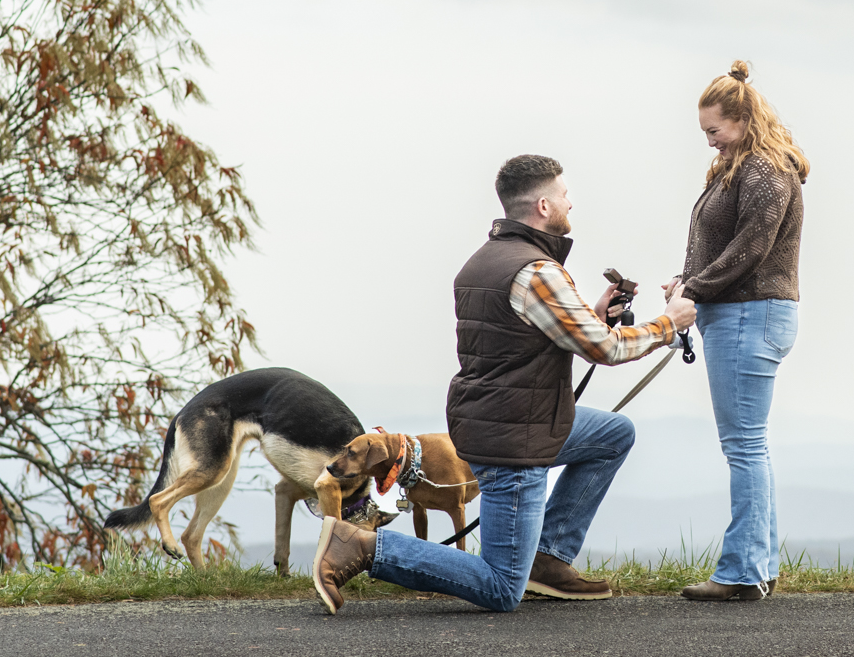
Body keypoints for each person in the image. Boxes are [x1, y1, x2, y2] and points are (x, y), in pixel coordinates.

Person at [311, 154, 698, 614]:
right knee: (500, 588)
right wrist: (667, 324)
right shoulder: (537, 272)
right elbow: (605, 350)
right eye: (564, 195)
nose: (570, 202)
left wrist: (593, 316)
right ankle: (363, 546)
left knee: (614, 434)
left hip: (498, 419)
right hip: (516, 437)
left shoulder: (483, 262)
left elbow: (518, 343)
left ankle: (548, 558)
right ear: (542, 206)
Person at [664, 60, 808, 602]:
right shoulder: (738, 167)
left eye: (714, 130)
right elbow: (720, 244)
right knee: (749, 444)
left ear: (743, 120)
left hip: (750, 313)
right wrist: (687, 280)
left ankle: (742, 572)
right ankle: (758, 566)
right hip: (741, 312)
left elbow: (751, 249)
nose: (709, 141)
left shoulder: (765, 170)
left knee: (743, 445)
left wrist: (693, 291)